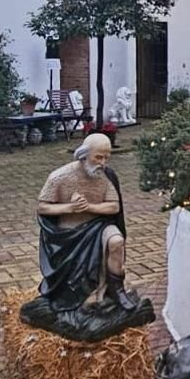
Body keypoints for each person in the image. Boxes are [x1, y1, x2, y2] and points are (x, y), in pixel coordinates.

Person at [33, 133, 140, 313]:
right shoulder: (59, 177)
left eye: (107, 157)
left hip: (99, 224)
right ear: (84, 154)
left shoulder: (106, 177)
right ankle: (81, 294)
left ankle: (116, 289)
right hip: (69, 230)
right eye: (98, 157)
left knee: (116, 242)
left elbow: (114, 207)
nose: (103, 163)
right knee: (75, 261)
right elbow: (43, 208)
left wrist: (89, 207)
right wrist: (70, 208)